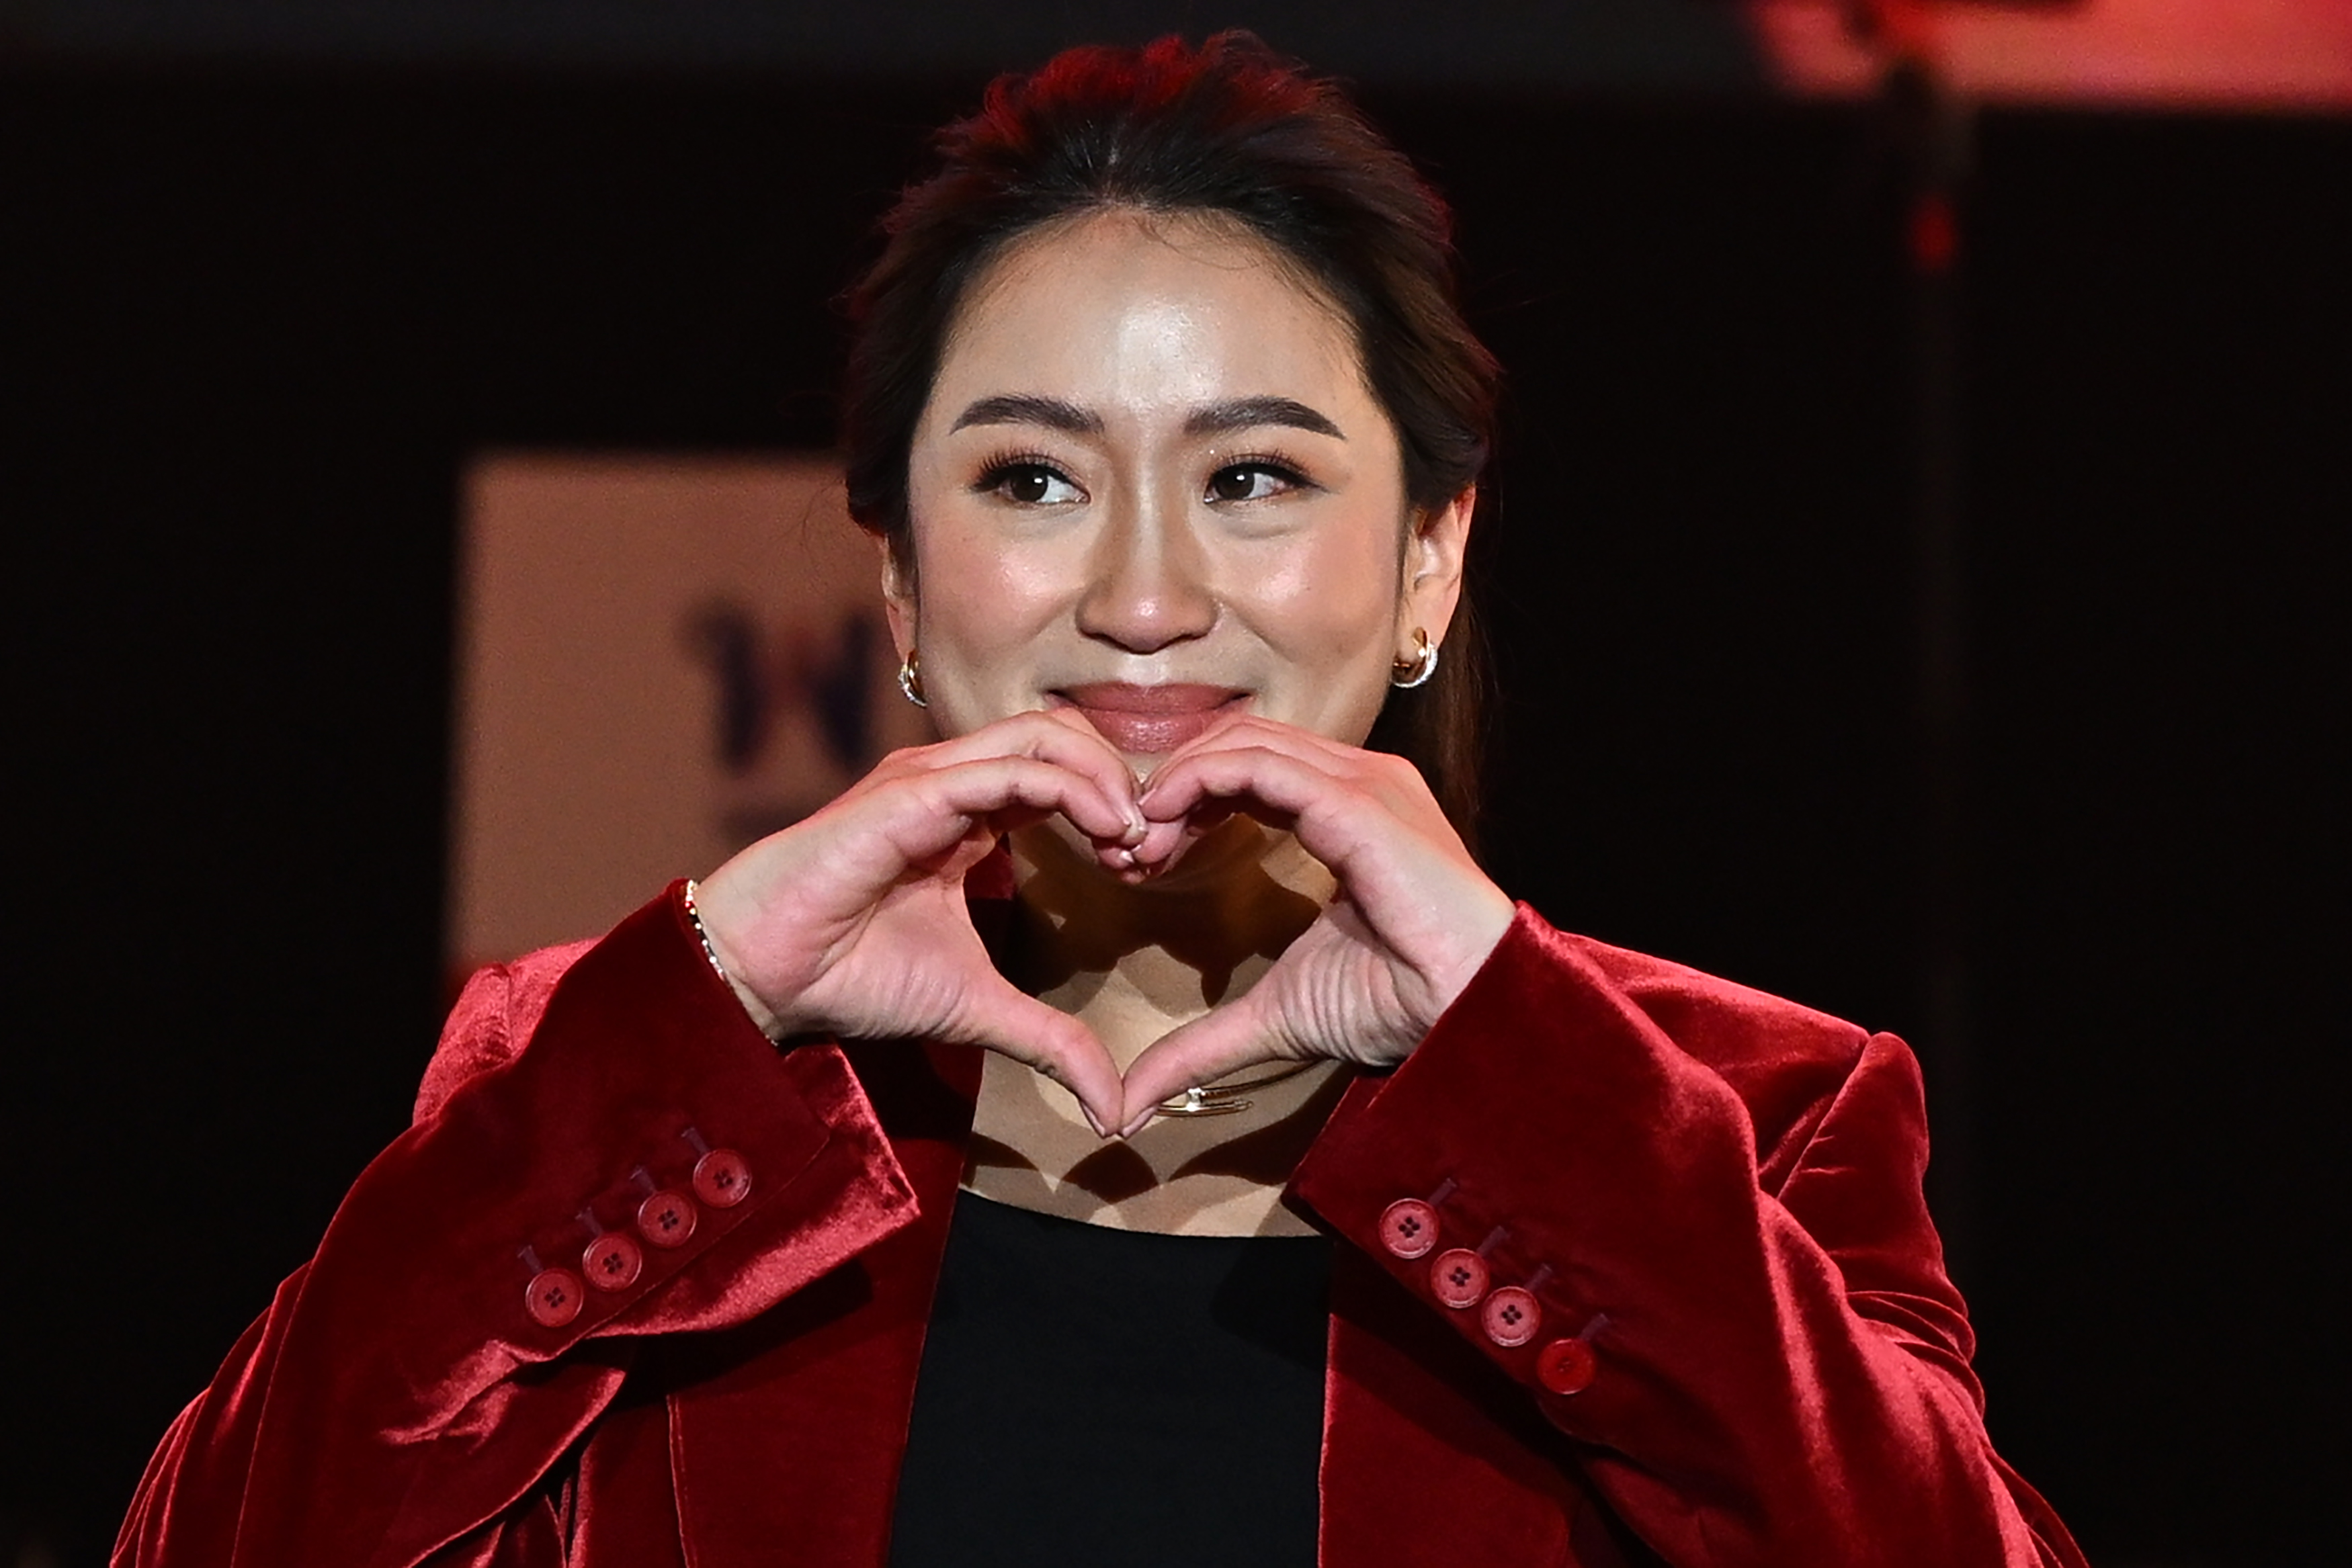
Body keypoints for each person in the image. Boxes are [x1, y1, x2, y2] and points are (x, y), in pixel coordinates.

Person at [115, 34, 2086, 1568]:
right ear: (901, 582)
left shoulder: (1754, 1118)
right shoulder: (627, 1097)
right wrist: (697, 1017)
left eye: (1253, 477)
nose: (1143, 596)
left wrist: (1525, 1077)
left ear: (1429, 560)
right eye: (1033, 479)